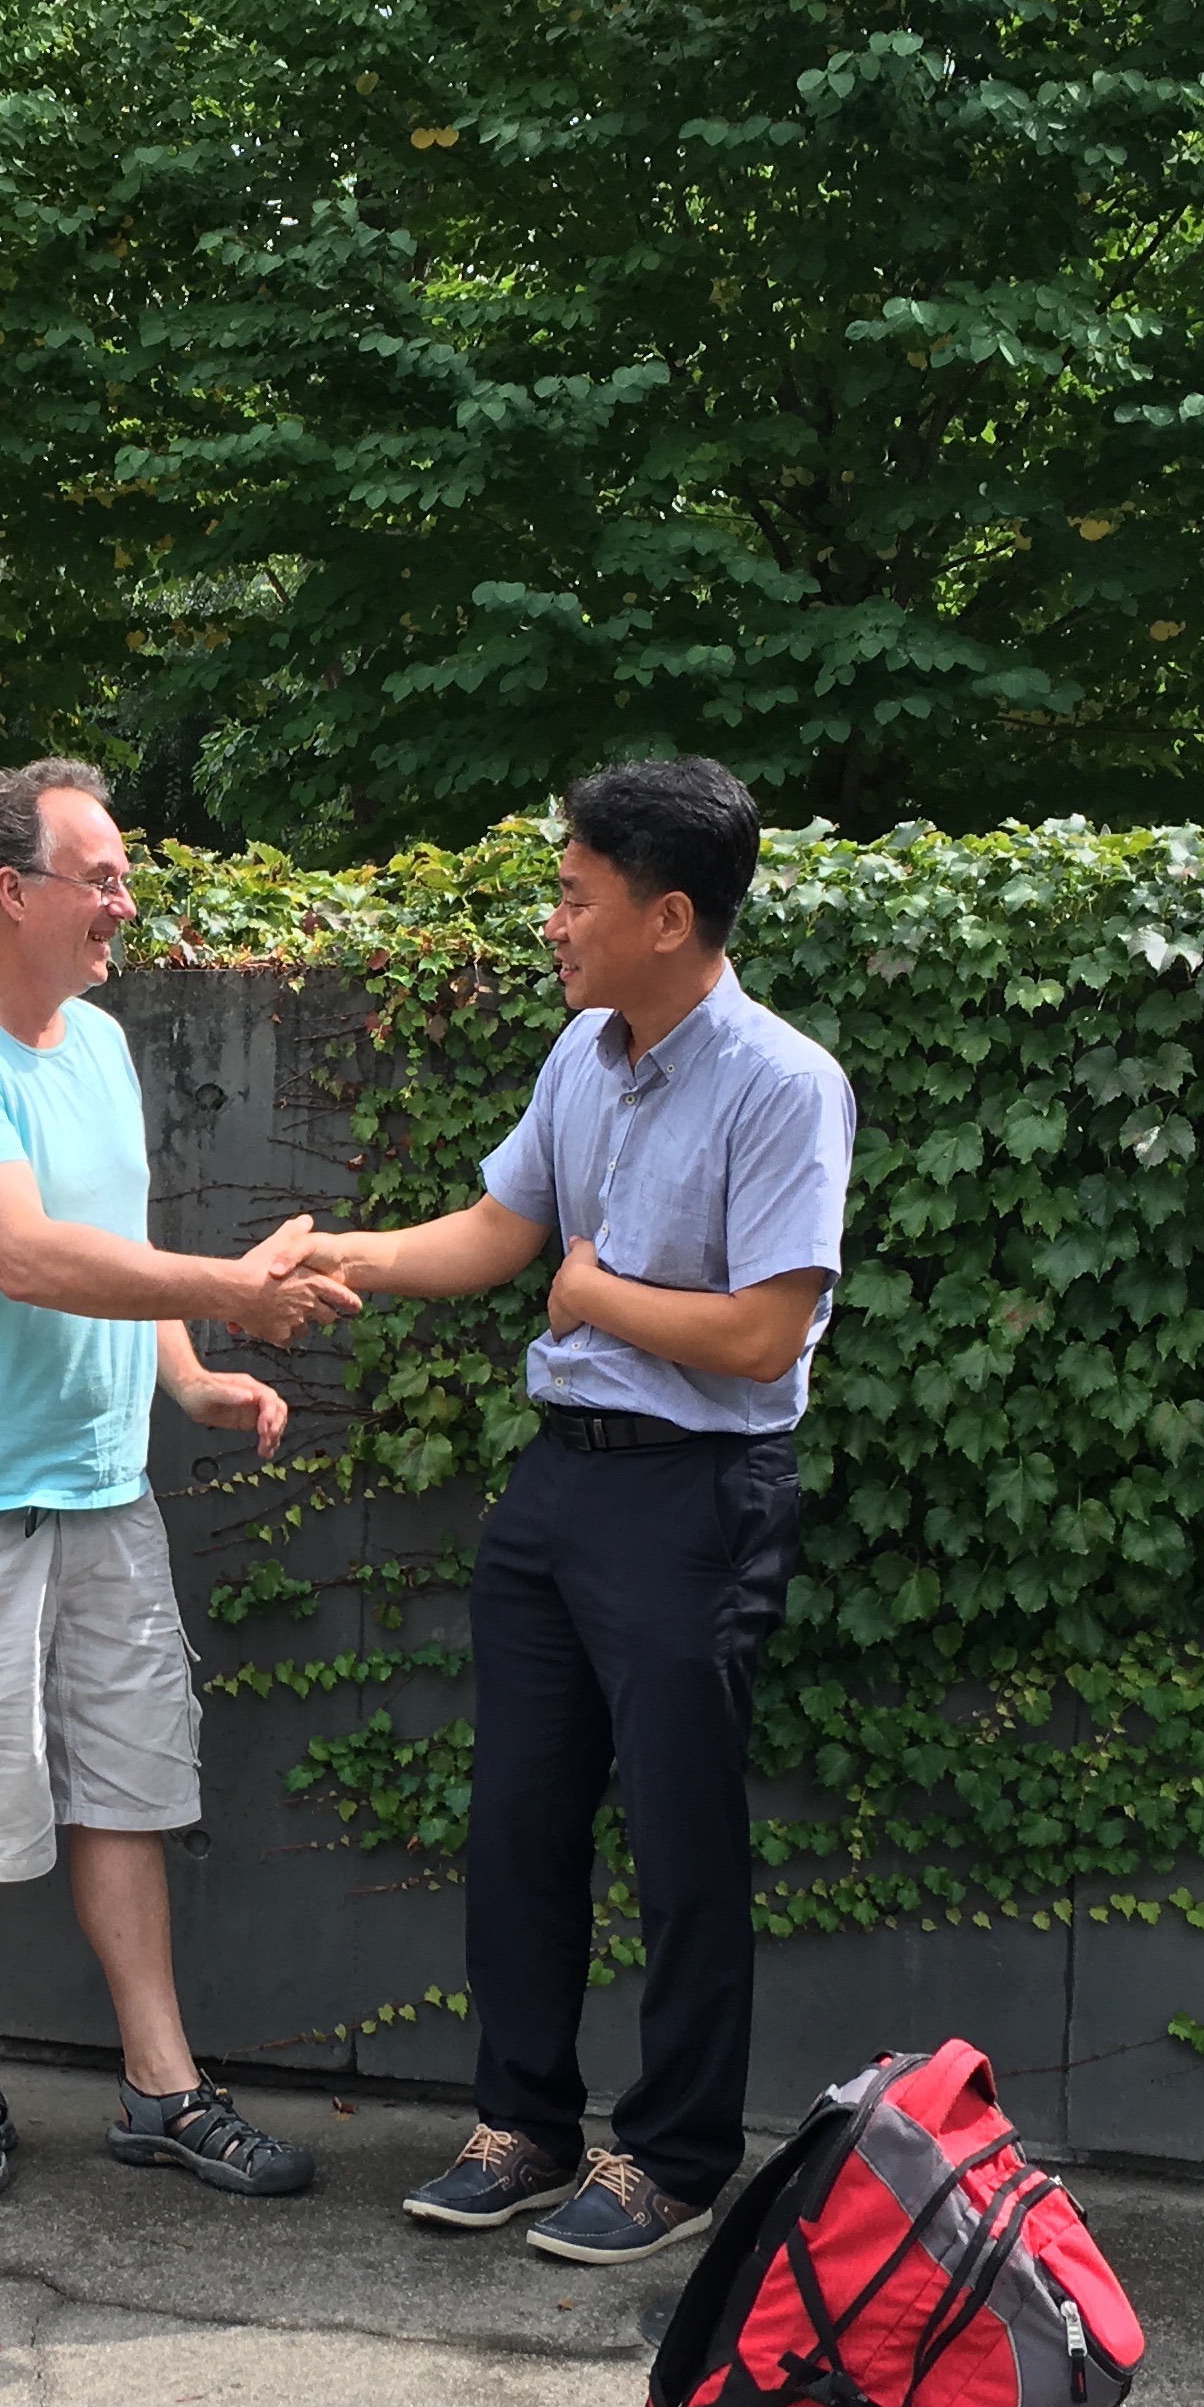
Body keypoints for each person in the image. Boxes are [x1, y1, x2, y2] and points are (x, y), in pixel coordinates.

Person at [310, 757, 855, 2267]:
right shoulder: (583, 1058)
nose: (553, 922)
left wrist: (594, 1293)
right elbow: (500, 1228)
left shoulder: (783, 1084)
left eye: (575, 895)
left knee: (681, 1841)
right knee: (521, 1823)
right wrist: (342, 1257)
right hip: (560, 1486)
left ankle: (674, 2158)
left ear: (668, 916)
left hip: (697, 1496)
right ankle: (526, 2127)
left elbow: (765, 1335)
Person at [0, 758, 359, 2205]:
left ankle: (162, 2088)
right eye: (106, 877)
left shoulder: (101, 1048)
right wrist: (235, 1289)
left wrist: (190, 1377)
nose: (127, 902)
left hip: (98, 1491)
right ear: (14, 891)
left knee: (127, 1789)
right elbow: (25, 1254)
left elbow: (115, 1250)